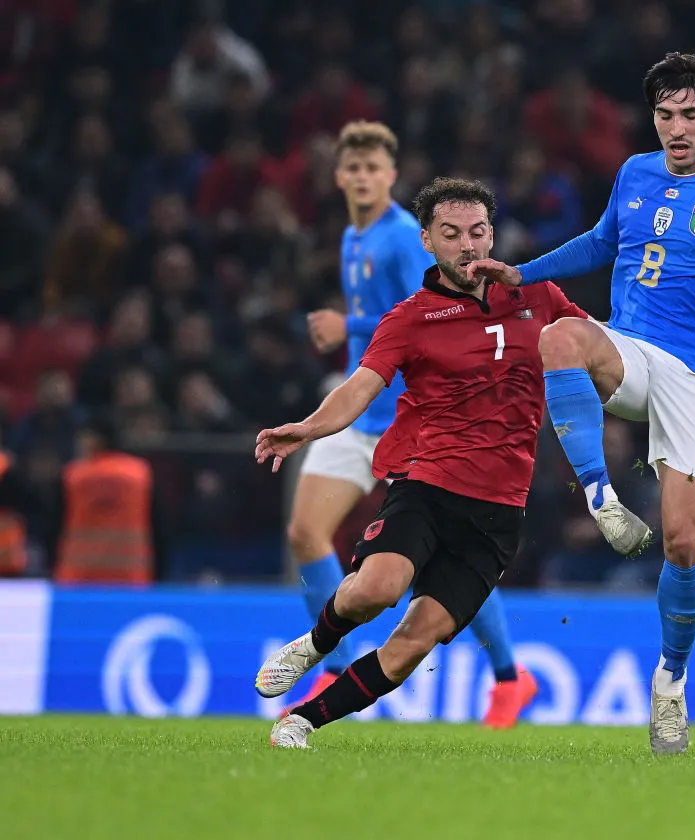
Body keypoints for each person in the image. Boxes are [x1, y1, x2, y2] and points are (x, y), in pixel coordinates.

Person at [467, 53, 695, 754]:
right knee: (563, 336)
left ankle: (669, 683)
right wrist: (523, 272)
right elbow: (605, 241)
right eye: (665, 114)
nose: (676, 128)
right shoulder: (635, 173)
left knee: (682, 542)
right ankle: (602, 496)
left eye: (690, 114)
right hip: (633, 348)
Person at [254, 178, 589, 748]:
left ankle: (302, 721)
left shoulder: (541, 297)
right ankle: (315, 644)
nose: (468, 245)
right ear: (428, 241)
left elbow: (597, 348)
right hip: (428, 484)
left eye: (478, 231)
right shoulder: (411, 318)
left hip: (500, 508)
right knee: (377, 589)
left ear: (493, 234)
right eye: (451, 234)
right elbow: (362, 385)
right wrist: (309, 428)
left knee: (415, 640)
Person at [285, 122, 537, 728]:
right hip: (358, 408)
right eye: (355, 168)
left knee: (444, 553)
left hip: (414, 416)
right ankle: (330, 659)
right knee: (305, 532)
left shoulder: (403, 237)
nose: (364, 177)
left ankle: (508, 676)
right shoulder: (353, 235)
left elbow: (437, 313)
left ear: (392, 176)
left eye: (375, 168)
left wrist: (344, 326)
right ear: (340, 176)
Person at [52, 413, 168, 584]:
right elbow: (160, 526)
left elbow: (55, 526)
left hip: (78, 579)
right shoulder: (141, 474)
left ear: (96, 440)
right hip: (130, 578)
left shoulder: (74, 476)